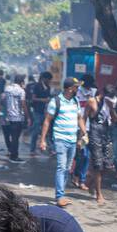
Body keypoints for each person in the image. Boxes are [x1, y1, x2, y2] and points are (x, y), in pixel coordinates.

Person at [39, 76, 86, 207]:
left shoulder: (75, 101)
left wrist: (84, 133)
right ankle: (59, 196)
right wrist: (42, 140)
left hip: (72, 139)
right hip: (60, 139)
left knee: (67, 169)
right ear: (70, 89)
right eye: (77, 87)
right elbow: (47, 121)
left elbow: (79, 118)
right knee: (61, 167)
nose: (78, 89)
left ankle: (61, 194)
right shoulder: (56, 101)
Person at [85, 83, 116, 202]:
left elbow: (115, 119)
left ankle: (91, 181)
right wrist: (83, 133)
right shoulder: (92, 101)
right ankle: (99, 194)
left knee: (108, 165)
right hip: (95, 133)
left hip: (106, 133)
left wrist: (111, 108)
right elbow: (84, 117)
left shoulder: (111, 103)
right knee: (98, 165)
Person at [1, 73, 28, 162]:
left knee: (11, 136)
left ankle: (11, 153)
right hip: (17, 117)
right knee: (15, 137)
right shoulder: (21, 91)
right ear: (21, 82)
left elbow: (3, 100)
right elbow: (23, 104)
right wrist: (27, 116)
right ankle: (14, 156)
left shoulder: (7, 89)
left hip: (8, 117)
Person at [27, 72, 51, 155]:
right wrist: (43, 100)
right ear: (44, 78)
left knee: (46, 131)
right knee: (36, 131)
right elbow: (33, 98)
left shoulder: (48, 87)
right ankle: (32, 150)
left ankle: (50, 149)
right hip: (37, 111)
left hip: (45, 112)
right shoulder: (37, 86)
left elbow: (48, 98)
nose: (49, 81)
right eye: (48, 79)